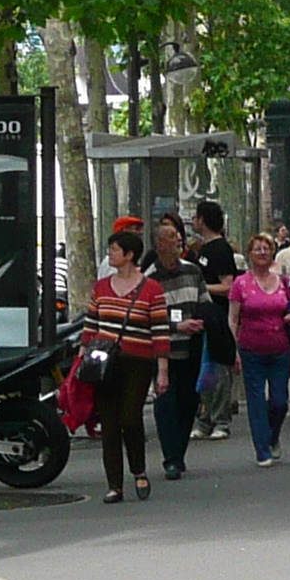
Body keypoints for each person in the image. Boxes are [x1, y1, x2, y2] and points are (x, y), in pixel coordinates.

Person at [81, 228, 173, 501]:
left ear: (130, 255)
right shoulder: (101, 287)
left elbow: (160, 331)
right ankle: (114, 485)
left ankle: (139, 470)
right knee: (108, 424)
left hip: (138, 362)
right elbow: (90, 325)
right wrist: (82, 358)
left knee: (130, 417)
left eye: (114, 249)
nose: (110, 254)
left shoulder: (151, 289)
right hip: (104, 363)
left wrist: (163, 371)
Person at [221, 233, 290, 467]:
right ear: (249, 254)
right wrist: (232, 350)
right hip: (250, 349)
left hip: (280, 349)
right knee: (255, 401)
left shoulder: (283, 281)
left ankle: (272, 436)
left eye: (267, 248)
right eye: (257, 249)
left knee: (280, 401)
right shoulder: (240, 284)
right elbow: (233, 319)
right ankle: (262, 449)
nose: (263, 252)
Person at [148, 213, 208, 482]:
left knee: (188, 402)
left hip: (191, 349)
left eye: (178, 237)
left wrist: (203, 322)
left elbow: (203, 301)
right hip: (164, 350)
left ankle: (179, 453)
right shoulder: (149, 279)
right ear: (159, 244)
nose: (178, 241)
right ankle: (171, 458)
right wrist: (177, 326)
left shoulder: (193, 271)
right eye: (172, 237)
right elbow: (148, 317)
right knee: (166, 403)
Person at [190, 201, 243, 440]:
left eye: (196, 217)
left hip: (219, 317)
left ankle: (221, 419)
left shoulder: (221, 249)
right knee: (205, 369)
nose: (193, 221)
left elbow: (227, 286)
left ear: (203, 219)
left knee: (219, 369)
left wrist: (200, 288)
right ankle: (205, 417)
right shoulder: (202, 249)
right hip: (203, 317)